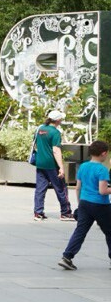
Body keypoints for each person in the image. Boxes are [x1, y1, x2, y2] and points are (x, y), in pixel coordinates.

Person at [60, 140, 111, 270]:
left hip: (84, 203)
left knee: (80, 231)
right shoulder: (102, 169)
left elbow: (78, 187)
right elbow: (103, 191)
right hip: (100, 205)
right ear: (103, 153)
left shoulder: (83, 166)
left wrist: (80, 204)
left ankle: (67, 257)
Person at [33, 110, 75, 222]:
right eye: (61, 119)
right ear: (57, 120)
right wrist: (61, 167)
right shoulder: (55, 132)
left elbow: (36, 144)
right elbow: (56, 150)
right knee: (61, 188)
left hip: (40, 163)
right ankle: (65, 213)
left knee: (40, 189)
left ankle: (38, 213)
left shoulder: (40, 129)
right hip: (52, 165)